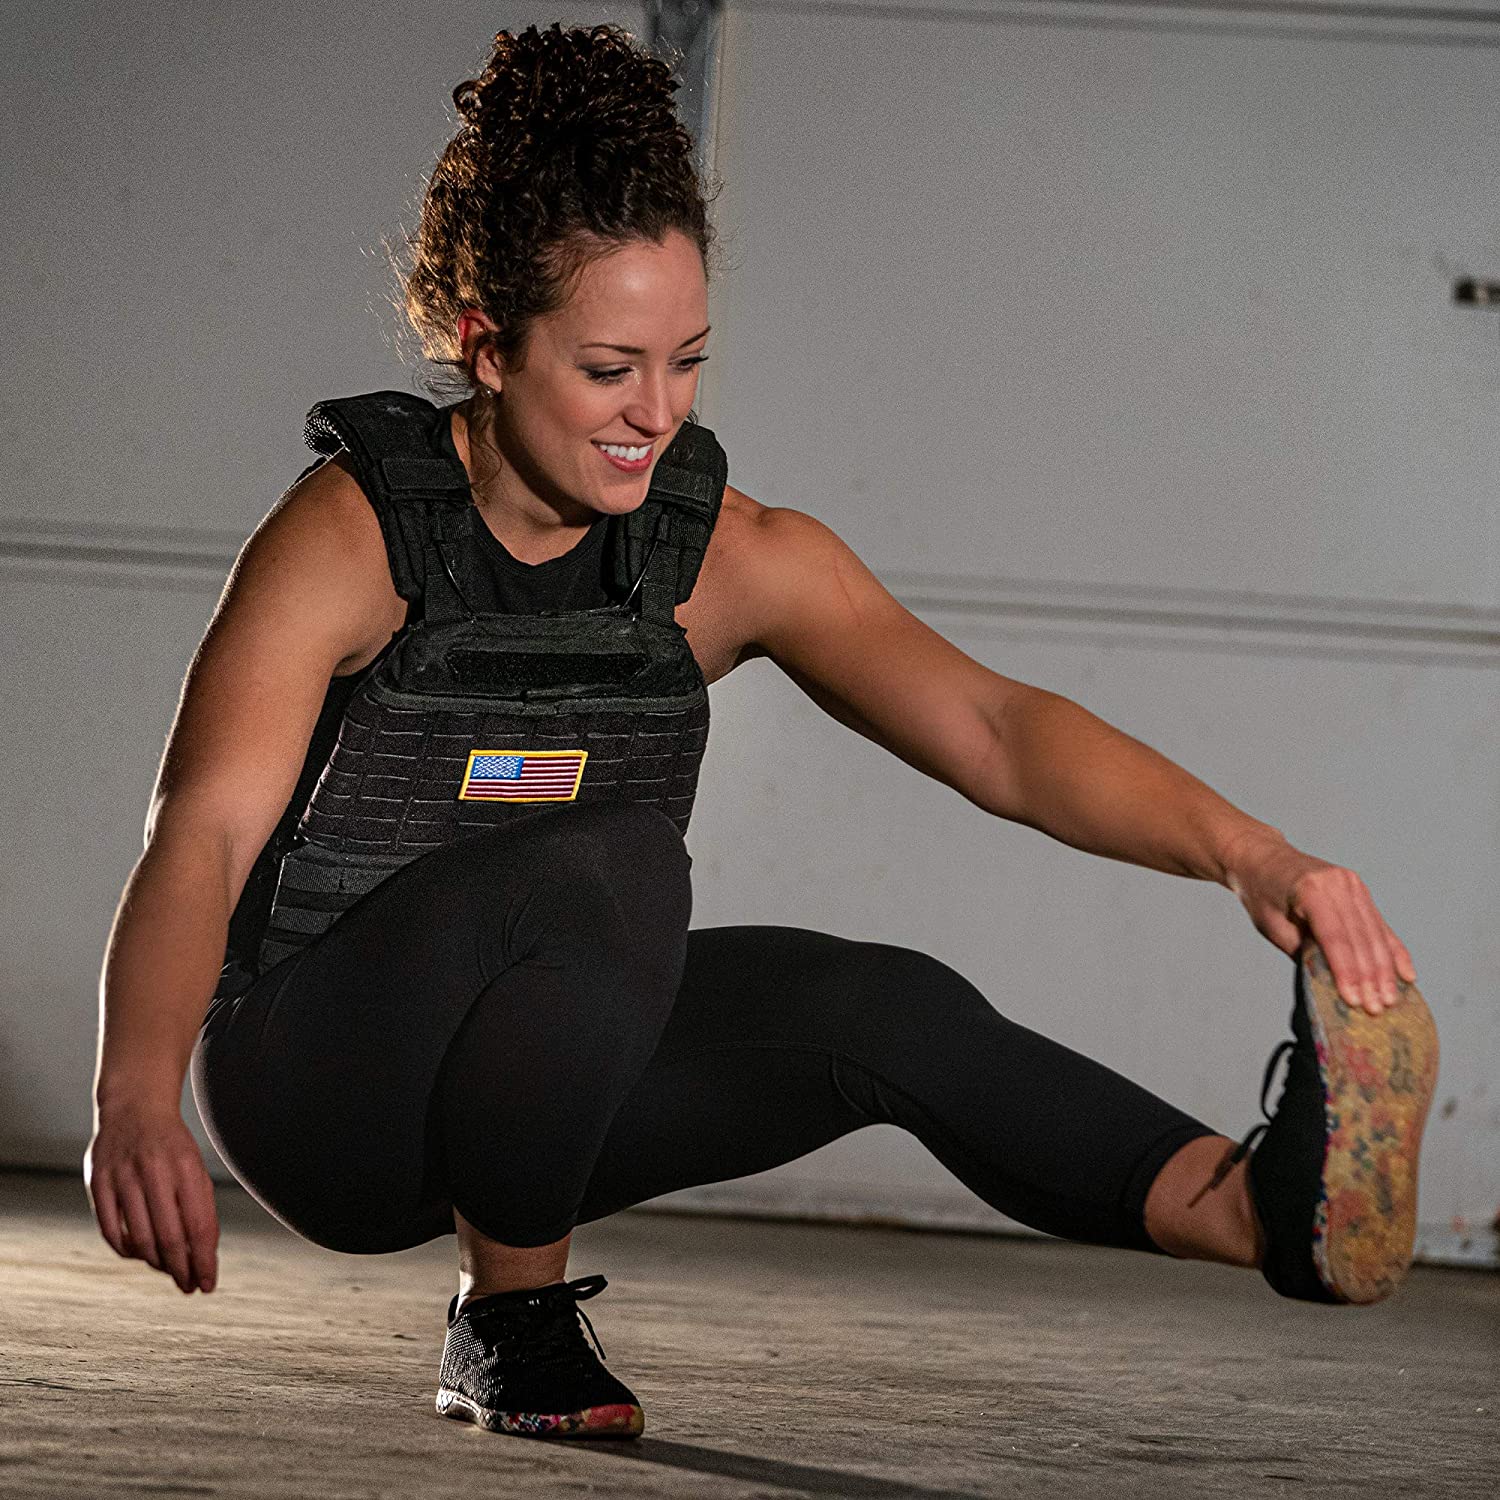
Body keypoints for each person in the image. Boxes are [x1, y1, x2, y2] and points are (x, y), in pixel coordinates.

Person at [84, 21, 1437, 1444]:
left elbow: (996, 730)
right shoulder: (352, 539)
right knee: (615, 864)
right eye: (610, 368)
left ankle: (1257, 1211)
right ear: (487, 345)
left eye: (686, 362)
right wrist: (133, 1096)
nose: (656, 414)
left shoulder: (725, 556)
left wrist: (1254, 857)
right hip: (321, 1089)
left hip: (530, 1083)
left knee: (884, 1008)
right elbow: (204, 833)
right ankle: (512, 1318)